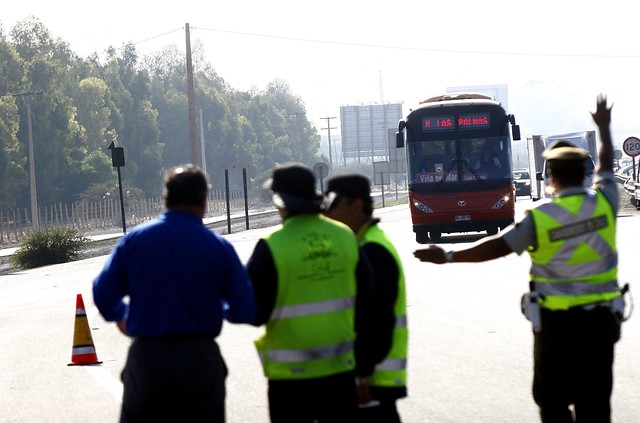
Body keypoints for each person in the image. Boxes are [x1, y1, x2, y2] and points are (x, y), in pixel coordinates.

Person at [413, 95, 625, 423]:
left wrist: (449, 255)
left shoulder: (541, 218)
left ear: (548, 175)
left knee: (551, 398)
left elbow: (498, 246)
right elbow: (607, 165)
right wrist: (604, 127)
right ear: (585, 174)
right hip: (601, 323)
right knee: (595, 399)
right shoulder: (606, 202)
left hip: (558, 324)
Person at [93, 164, 257, 423]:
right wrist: (214, 310)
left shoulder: (136, 240)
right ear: (204, 200)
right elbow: (245, 308)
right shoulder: (218, 247)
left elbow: (103, 293)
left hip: (148, 359)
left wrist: (123, 316)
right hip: (199, 359)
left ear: (166, 199)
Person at [246, 162, 393, 423]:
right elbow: (367, 303)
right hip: (340, 375)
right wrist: (364, 372)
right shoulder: (346, 237)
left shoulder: (271, 246)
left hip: (289, 381)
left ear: (281, 201)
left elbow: (254, 312)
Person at [324, 173, 408, 423]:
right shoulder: (363, 244)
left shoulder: (372, 250)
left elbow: (375, 319)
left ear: (357, 205)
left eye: (333, 207)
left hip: (372, 380)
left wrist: (362, 374)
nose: (327, 215)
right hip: (372, 376)